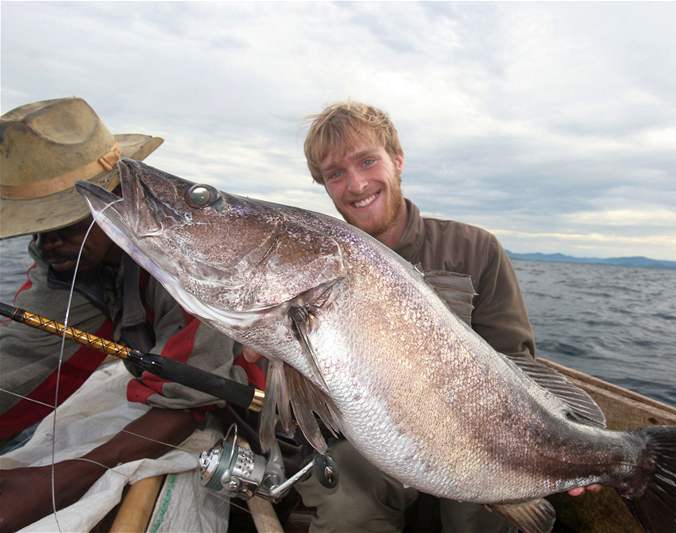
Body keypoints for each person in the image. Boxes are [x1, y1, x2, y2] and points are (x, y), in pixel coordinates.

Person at [252, 101, 598, 532]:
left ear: (397, 160)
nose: (356, 184)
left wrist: (565, 442)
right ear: (323, 185)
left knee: (484, 515)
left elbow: (518, 366)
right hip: (370, 440)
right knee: (345, 506)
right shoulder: (314, 267)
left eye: (367, 161)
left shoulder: (476, 248)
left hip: (478, 442)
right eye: (335, 174)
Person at [0, 97, 258, 531]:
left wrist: (63, 479)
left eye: (65, 226)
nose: (48, 245)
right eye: (37, 229)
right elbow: (19, 359)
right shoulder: (66, 262)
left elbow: (189, 401)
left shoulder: (190, 258)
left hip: (259, 405)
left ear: (114, 201)